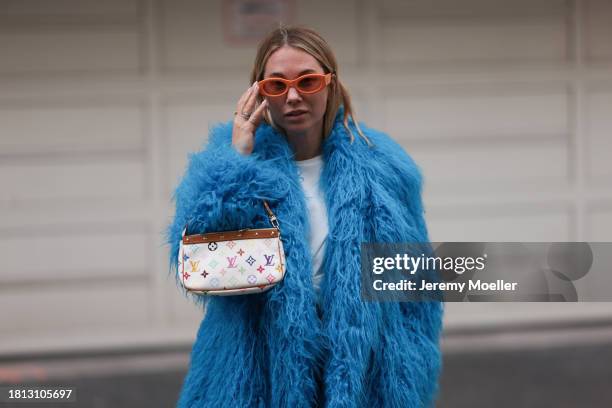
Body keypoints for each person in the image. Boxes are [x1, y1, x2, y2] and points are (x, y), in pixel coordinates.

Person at [166, 25, 443, 407]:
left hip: (365, 371)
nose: (293, 96)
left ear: (329, 83)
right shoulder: (230, 163)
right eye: (276, 86)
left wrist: (411, 369)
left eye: (308, 81)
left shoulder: (382, 166)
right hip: (255, 373)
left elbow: (416, 284)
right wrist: (237, 160)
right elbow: (197, 259)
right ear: (258, 93)